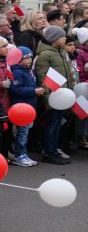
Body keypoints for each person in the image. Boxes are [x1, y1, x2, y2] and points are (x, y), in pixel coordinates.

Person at [35, 25, 76, 165]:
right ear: (53, 39)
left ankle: (54, 150)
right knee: (51, 125)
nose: (65, 38)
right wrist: (47, 99)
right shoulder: (46, 55)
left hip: (62, 96)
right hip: (54, 97)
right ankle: (48, 151)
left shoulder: (60, 52)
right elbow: (42, 77)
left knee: (58, 124)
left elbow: (68, 74)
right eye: (62, 36)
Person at [10, 48, 42, 166]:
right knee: (22, 132)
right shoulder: (17, 72)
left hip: (29, 106)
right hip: (21, 107)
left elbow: (31, 84)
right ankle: (19, 154)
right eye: (27, 57)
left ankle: (23, 153)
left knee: (26, 131)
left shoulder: (28, 71)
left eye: (30, 57)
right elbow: (16, 89)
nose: (30, 60)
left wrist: (37, 88)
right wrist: (34, 91)